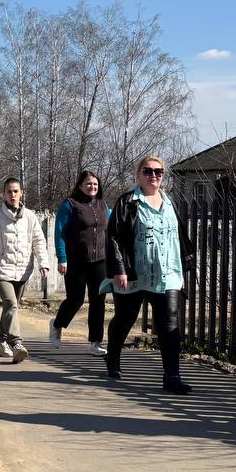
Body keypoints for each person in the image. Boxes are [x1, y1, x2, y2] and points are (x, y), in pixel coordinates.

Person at [102, 155, 192, 394]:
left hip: (167, 274)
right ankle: (112, 356)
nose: (154, 176)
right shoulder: (128, 202)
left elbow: (178, 239)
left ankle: (172, 376)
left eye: (159, 172)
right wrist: (119, 269)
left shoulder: (170, 202)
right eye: (148, 171)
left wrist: (184, 268)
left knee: (170, 324)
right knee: (125, 318)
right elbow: (113, 237)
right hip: (134, 274)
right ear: (138, 174)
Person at [0, 178, 49, 364]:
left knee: (11, 307)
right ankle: (16, 343)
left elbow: (38, 242)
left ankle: (1, 340)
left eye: (16, 191)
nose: (13, 195)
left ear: (22, 193)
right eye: (9, 191)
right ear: (3, 194)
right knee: (11, 303)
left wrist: (43, 263)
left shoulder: (30, 217)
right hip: (1, 270)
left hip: (23, 270)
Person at [49, 170, 110, 356]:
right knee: (75, 299)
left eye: (95, 184)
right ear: (80, 185)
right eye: (89, 184)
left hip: (100, 260)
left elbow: (113, 224)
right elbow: (59, 232)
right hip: (76, 261)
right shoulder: (70, 205)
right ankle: (57, 324)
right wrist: (62, 258)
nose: (92, 187)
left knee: (98, 301)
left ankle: (96, 342)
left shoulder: (103, 205)